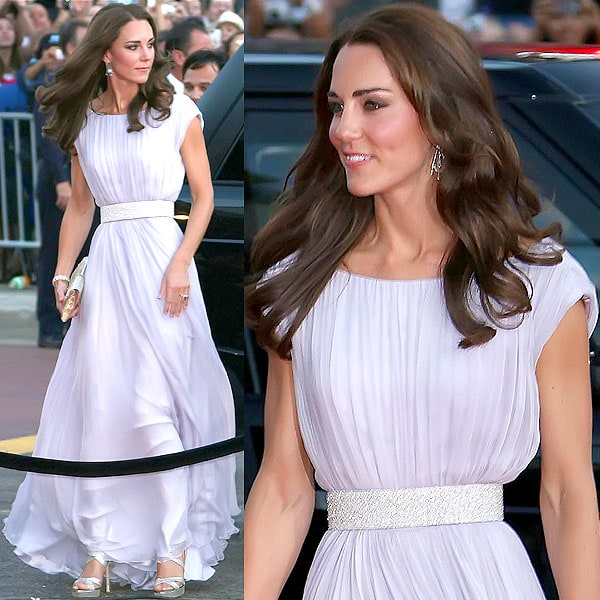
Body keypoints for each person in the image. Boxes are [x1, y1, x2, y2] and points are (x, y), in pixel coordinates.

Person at [244, 4, 600, 599]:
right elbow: (283, 485)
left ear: (439, 117)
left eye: (372, 104)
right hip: (350, 578)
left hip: (483, 579)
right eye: (336, 107)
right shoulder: (302, 284)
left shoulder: (535, 284)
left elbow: (566, 489)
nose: (343, 129)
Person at [3, 2, 239, 597]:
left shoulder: (178, 110)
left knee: (156, 407)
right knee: (106, 407)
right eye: (133, 45)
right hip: (108, 268)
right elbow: (82, 206)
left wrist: (182, 263)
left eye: (151, 44)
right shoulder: (84, 120)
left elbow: (203, 198)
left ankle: (171, 547)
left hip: (163, 263)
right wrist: (62, 275)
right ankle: (102, 548)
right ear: (106, 52)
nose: (147, 55)